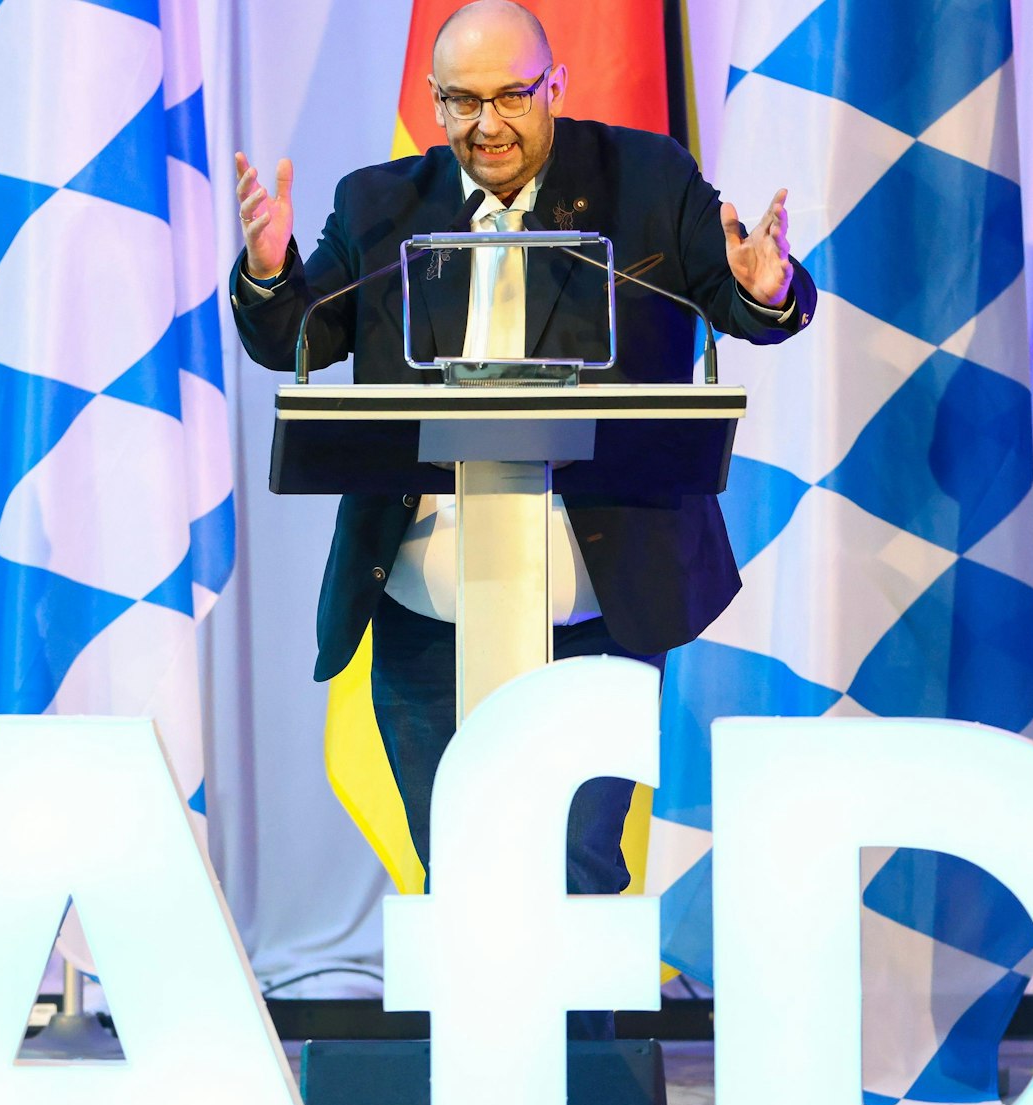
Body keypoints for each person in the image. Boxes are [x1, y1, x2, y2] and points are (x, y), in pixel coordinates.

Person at [229, 0, 815, 963]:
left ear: (557, 88)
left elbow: (747, 302)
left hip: (596, 603)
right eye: (461, 101)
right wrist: (265, 271)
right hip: (423, 609)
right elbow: (297, 330)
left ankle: (582, 1100)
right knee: (460, 872)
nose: (486, 124)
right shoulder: (380, 203)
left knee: (577, 879)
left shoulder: (646, 181)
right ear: (432, 99)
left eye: (511, 96)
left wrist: (762, 287)